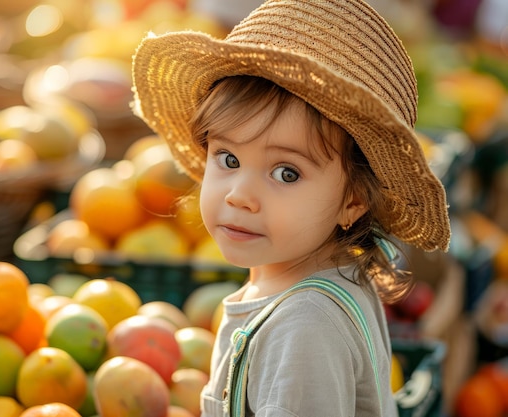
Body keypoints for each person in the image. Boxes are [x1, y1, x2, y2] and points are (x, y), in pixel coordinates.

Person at [131, 0, 451, 415]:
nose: (238, 195)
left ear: (353, 201)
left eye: (286, 173)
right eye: (228, 159)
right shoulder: (303, 282)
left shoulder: (304, 328)